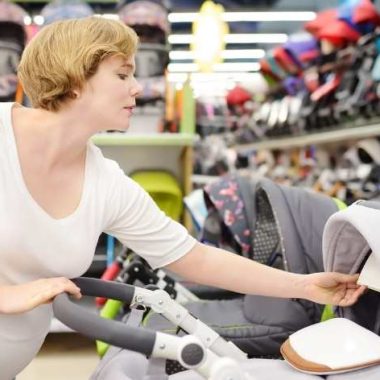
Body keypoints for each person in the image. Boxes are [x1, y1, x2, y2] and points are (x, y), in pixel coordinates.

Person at [0, 17, 365, 379]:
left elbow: (195, 258)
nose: (138, 88)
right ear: (77, 78)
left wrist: (304, 286)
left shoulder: (105, 183)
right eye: (123, 75)